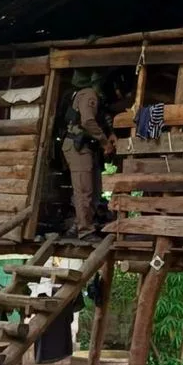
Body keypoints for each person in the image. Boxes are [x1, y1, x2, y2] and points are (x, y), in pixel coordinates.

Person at [61, 69, 117, 241]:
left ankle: (77, 226)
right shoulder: (89, 95)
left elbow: (99, 118)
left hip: (84, 147)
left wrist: (109, 133)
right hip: (79, 147)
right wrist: (104, 142)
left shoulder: (84, 95)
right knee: (84, 190)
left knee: (90, 190)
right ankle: (85, 231)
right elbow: (87, 121)